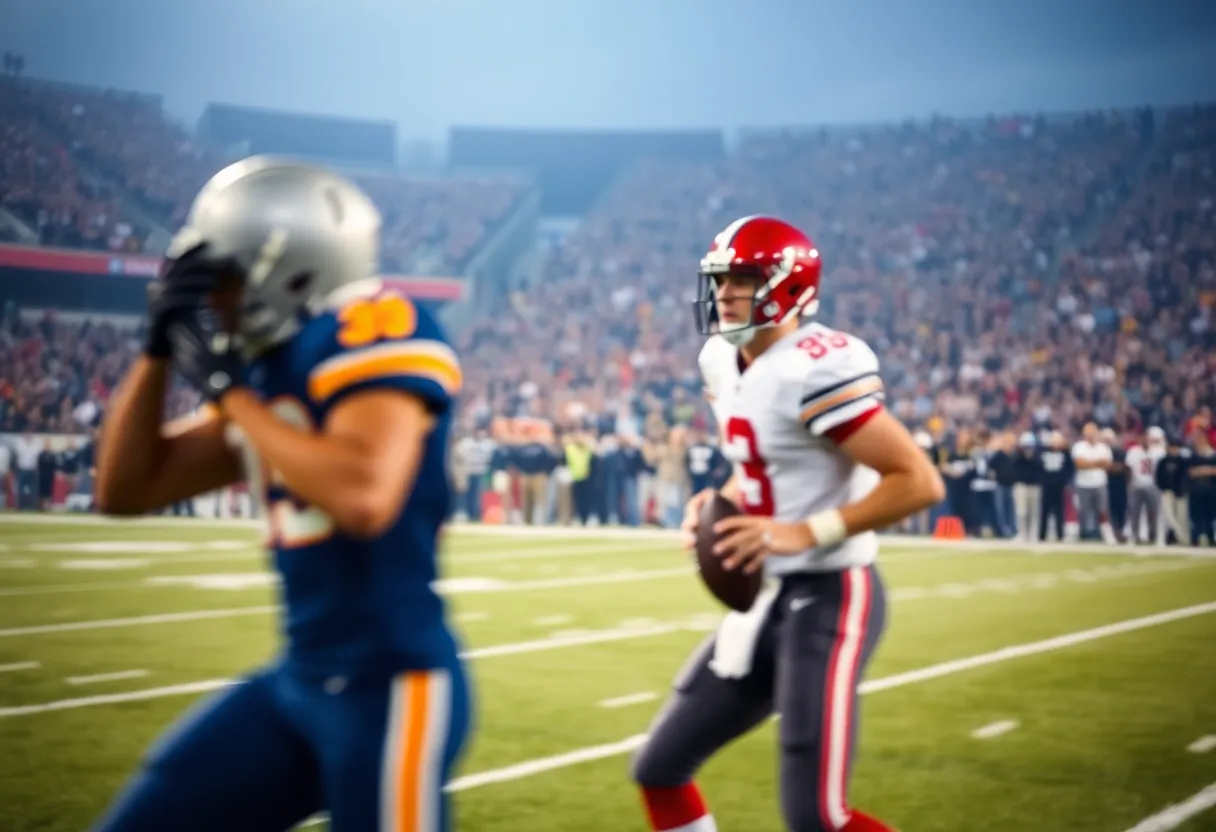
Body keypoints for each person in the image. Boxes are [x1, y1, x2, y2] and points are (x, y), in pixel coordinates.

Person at [91, 156, 469, 832]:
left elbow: (362, 498)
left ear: (292, 268)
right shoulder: (268, 371)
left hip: (390, 684)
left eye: (224, 278)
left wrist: (229, 394)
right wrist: (157, 351)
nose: (213, 300)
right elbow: (126, 488)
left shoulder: (377, 325)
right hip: (301, 678)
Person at [630, 215, 944, 832]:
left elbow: (917, 481)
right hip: (766, 598)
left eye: (741, 281)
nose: (724, 295)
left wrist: (804, 532)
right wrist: (717, 500)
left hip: (831, 591)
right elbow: (761, 463)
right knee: (659, 768)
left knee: (817, 817)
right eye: (719, 281)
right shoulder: (722, 358)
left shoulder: (816, 366)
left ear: (787, 286)